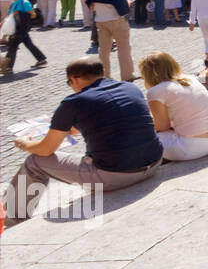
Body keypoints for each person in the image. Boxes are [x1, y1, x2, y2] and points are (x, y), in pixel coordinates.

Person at [5, 58, 163, 221]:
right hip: (154, 163)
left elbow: (46, 149)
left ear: (74, 79)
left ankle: (12, 217)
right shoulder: (129, 87)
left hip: (117, 175)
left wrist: (24, 143)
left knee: (34, 162)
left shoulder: (73, 103)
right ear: (102, 73)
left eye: (69, 83)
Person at [139, 51, 208, 162]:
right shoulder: (190, 78)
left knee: (143, 136)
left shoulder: (155, 91)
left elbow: (162, 127)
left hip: (192, 148)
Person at [85, 0, 134, 81]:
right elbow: (121, 7)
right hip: (117, 20)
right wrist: (128, 3)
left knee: (104, 49)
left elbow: (89, 4)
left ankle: (104, 75)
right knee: (124, 49)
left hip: (101, 21)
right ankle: (127, 75)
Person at [0, 0, 47, 74]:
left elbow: (32, 14)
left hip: (21, 28)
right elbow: (11, 16)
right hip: (18, 27)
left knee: (12, 46)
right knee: (28, 44)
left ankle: (8, 67)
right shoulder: (15, 2)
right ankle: (41, 60)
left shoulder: (23, 2)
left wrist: (19, 13)